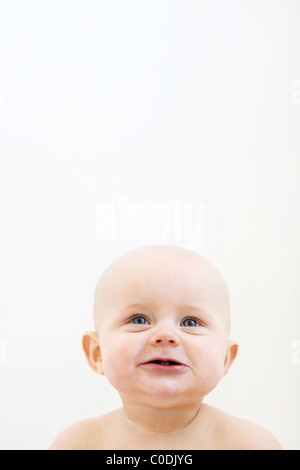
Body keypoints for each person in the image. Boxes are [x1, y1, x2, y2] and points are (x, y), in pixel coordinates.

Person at [49, 244, 282, 450]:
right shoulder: (78, 444)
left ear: (225, 360)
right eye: (139, 320)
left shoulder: (249, 445)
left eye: (190, 322)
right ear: (96, 353)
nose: (166, 335)